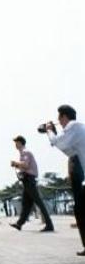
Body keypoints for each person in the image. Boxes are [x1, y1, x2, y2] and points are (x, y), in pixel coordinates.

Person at [44, 105, 85, 255]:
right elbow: (67, 149)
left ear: (64, 117)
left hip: (82, 176)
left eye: (59, 119)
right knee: (80, 210)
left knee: (80, 210)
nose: (59, 122)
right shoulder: (78, 129)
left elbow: (59, 143)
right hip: (82, 175)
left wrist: (49, 130)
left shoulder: (73, 126)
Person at [10, 136, 54, 232]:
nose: (15, 145)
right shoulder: (23, 153)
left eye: (16, 142)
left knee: (39, 202)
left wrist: (15, 163)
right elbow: (25, 166)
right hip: (27, 180)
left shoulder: (25, 152)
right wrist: (17, 165)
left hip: (29, 180)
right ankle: (19, 224)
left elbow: (25, 165)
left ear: (21, 143)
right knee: (26, 204)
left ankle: (49, 224)